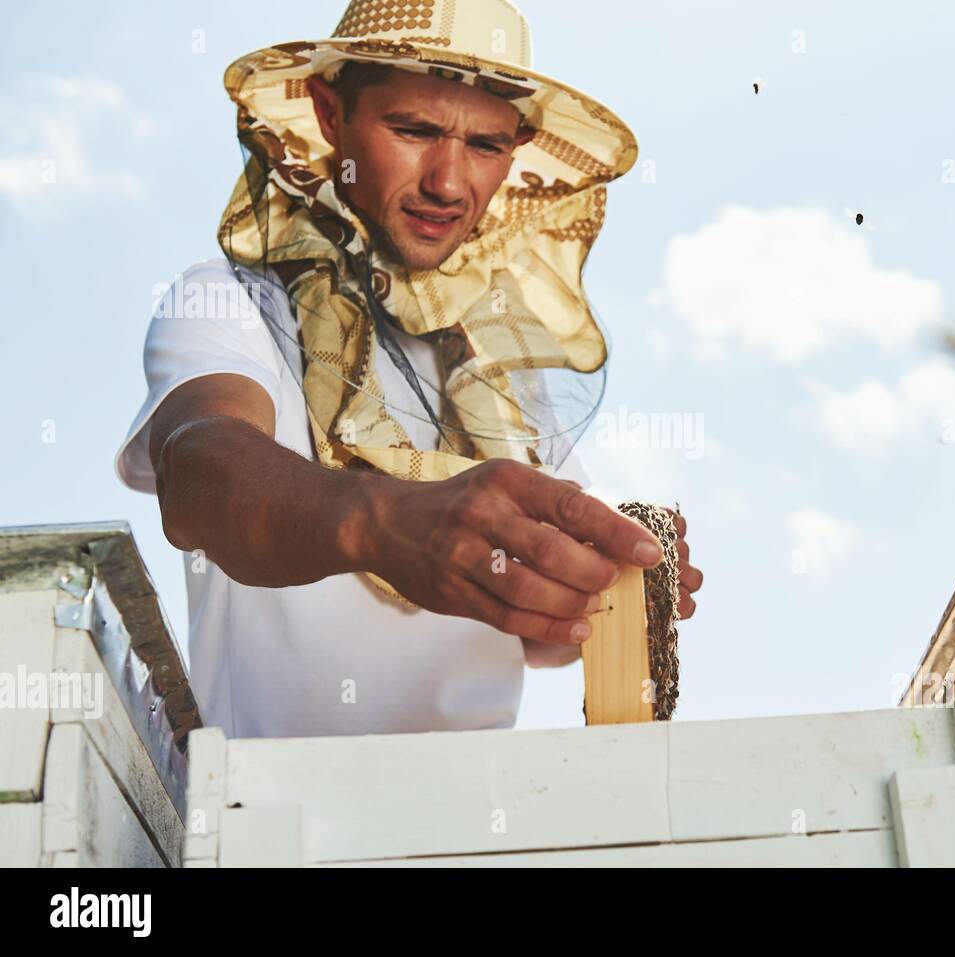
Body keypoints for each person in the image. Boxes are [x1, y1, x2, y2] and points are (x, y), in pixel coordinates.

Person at [114, 0, 703, 738]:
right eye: (415, 130)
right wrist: (384, 521)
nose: (449, 183)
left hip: (478, 827)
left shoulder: (497, 365)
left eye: (486, 145)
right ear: (332, 114)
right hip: (262, 821)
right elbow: (200, 474)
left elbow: (542, 638)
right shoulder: (228, 297)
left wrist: (610, 576)